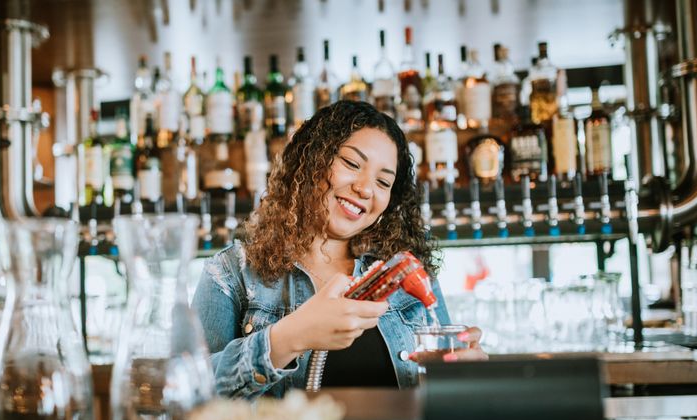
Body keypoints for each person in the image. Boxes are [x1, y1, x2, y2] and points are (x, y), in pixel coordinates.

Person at [193, 101, 487, 399]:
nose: (365, 188)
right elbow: (189, 395)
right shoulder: (231, 274)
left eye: (383, 181)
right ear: (310, 161)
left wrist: (464, 378)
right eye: (351, 164)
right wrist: (289, 337)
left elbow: (443, 400)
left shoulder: (404, 275)